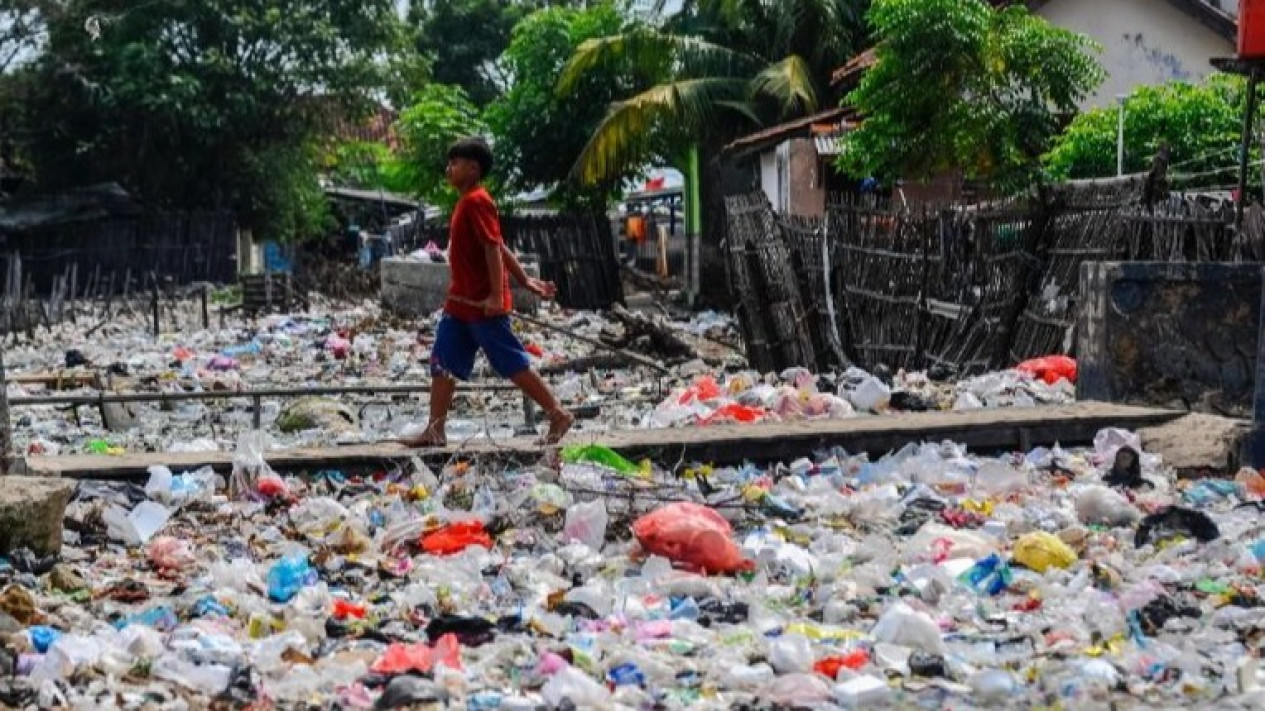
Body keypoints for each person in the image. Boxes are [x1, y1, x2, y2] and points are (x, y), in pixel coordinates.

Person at [402, 137, 574, 447]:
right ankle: (435, 429)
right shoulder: (466, 202)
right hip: (461, 305)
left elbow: (492, 248)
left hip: (482, 305)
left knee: (510, 363)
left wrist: (496, 295)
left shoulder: (477, 201)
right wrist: (525, 280)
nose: (448, 169)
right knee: (442, 362)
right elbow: (500, 245)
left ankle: (557, 414)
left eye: (455, 163)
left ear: (472, 169)